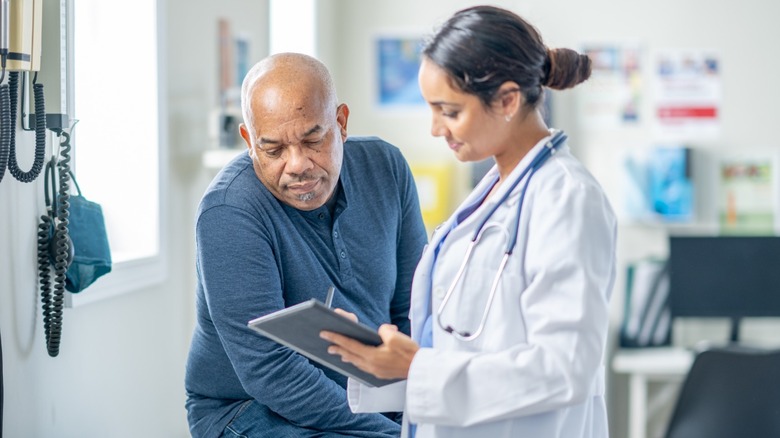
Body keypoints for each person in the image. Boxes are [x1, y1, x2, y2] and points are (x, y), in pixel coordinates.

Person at [321, 6, 617, 438]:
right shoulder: (493, 192)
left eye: (449, 111)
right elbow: (458, 346)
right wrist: (386, 362)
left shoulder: (567, 198)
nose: (435, 129)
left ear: (508, 100)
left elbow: (564, 367)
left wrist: (418, 368)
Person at [185, 53, 428, 437]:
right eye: (274, 150)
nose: (297, 165)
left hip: (373, 395)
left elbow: (414, 310)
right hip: (250, 408)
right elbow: (269, 369)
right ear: (249, 142)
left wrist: (423, 408)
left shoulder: (387, 168)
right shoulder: (229, 211)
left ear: (342, 123)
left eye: (313, 139)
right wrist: (391, 433)